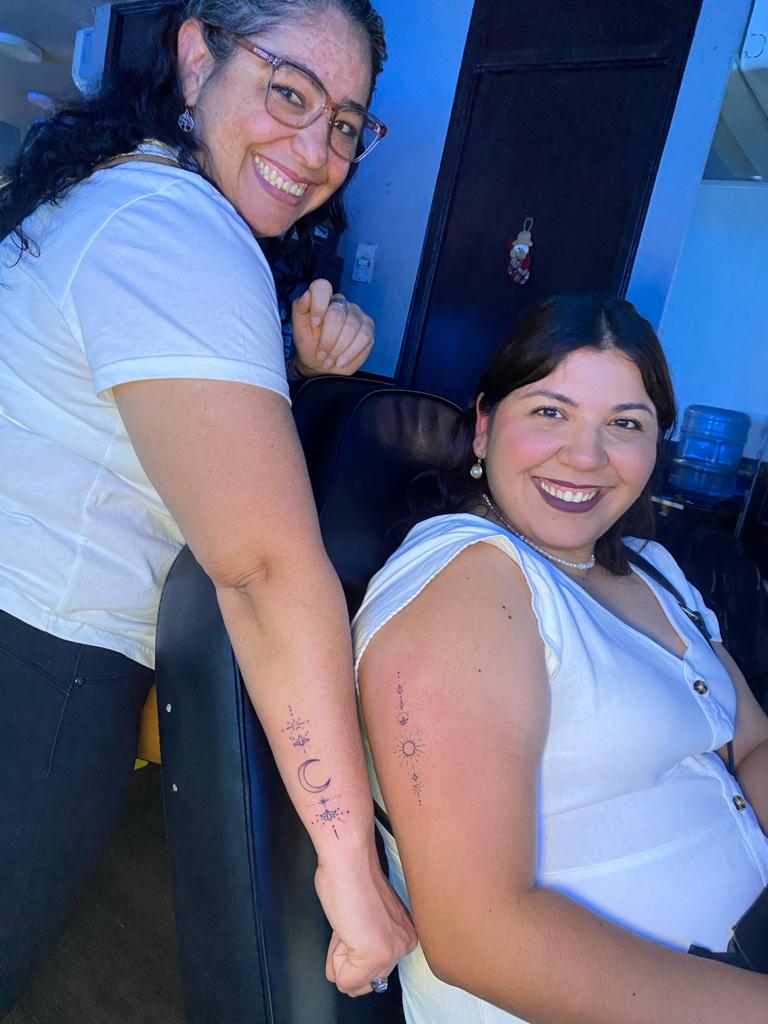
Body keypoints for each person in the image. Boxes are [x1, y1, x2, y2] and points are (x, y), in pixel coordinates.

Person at [0, 0, 416, 1013]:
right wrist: (350, 866)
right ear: (197, 59)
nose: (317, 151)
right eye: (290, 92)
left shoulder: (112, 189)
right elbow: (262, 569)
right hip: (39, 677)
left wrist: (298, 375)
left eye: (345, 123)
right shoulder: (180, 234)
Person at [353, 294, 768, 1024]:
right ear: (485, 425)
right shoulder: (471, 584)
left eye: (626, 424)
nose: (585, 456)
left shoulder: (650, 565)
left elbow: (751, 741)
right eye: (550, 412)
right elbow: (480, 937)